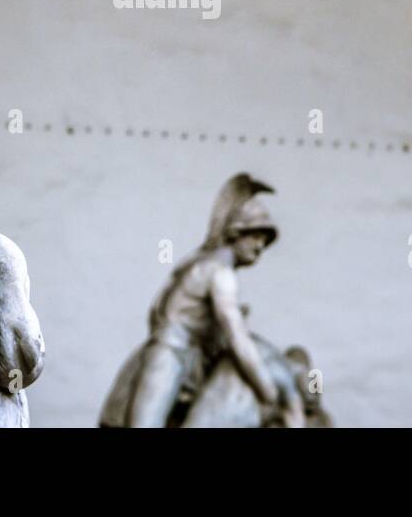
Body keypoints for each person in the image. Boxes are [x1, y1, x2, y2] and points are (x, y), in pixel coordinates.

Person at [99, 173, 293, 427]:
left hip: (189, 362)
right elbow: (237, 337)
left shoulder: (205, 263)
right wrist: (267, 388)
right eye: (255, 235)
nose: (260, 246)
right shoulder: (220, 272)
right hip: (170, 356)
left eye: (264, 239)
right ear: (236, 232)